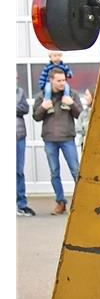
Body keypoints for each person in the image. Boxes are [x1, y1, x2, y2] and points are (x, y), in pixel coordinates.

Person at [32, 69, 81, 216]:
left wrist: (72, 104)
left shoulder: (72, 94)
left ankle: (82, 201)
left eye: (64, 80)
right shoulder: (42, 96)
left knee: (76, 171)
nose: (62, 83)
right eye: (59, 80)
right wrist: (43, 107)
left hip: (68, 138)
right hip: (50, 139)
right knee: (54, 173)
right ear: (51, 80)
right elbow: (36, 116)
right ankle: (60, 203)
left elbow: (80, 114)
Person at [17, 82, 34, 217]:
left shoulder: (19, 91)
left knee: (18, 172)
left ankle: (21, 204)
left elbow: (25, 108)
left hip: (18, 136)